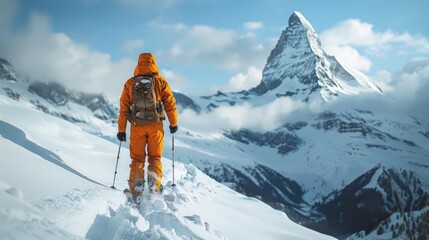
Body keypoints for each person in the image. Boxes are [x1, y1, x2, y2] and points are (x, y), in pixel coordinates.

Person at [117, 53, 178, 202]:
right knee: (155, 158)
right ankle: (154, 188)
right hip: (155, 127)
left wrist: (121, 129)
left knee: (137, 159)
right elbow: (170, 103)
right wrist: (173, 123)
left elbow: (124, 107)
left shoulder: (130, 83)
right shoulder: (160, 81)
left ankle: (137, 191)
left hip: (137, 126)